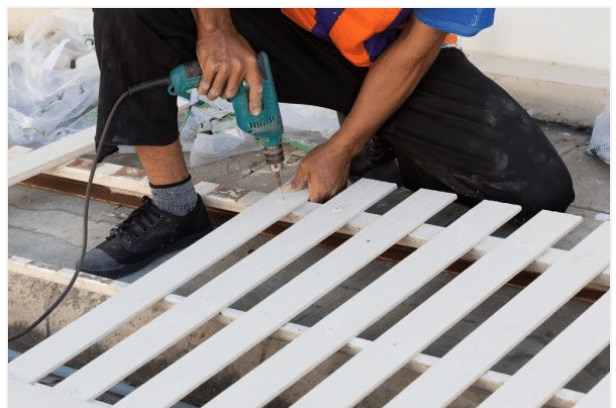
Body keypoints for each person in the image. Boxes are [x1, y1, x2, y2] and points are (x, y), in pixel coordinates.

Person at [82, 8, 574, 278]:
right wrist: (218, 29)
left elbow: (418, 50)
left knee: (538, 190)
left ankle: (376, 136)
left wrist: (342, 145)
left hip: (388, 55)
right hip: (275, 28)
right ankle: (174, 206)